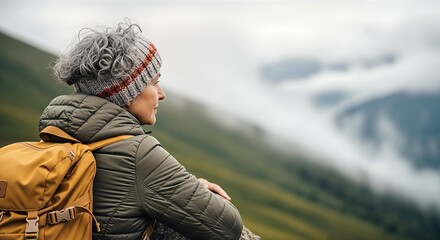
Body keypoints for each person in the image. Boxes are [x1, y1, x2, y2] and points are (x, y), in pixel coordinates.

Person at [39, 21, 250, 240]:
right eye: (154, 83)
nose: (161, 94)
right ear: (126, 91)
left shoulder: (58, 134)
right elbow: (227, 227)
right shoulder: (137, 154)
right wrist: (198, 189)